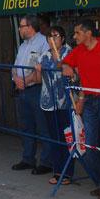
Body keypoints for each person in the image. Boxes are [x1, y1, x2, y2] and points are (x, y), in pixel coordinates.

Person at [62, 19, 100, 199]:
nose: (74, 36)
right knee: (89, 145)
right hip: (88, 100)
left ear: (88, 33)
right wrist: (66, 66)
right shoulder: (78, 51)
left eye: (77, 32)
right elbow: (63, 63)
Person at [11, 14, 51, 174]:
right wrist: (15, 78)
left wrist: (26, 81)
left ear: (30, 27)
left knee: (42, 127)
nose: (19, 29)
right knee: (26, 126)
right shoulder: (22, 45)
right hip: (22, 90)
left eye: (21, 26)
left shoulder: (43, 43)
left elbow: (41, 67)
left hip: (36, 89)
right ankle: (28, 158)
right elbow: (15, 66)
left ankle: (47, 162)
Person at [36, 26, 73, 185]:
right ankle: (57, 170)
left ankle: (67, 172)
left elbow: (66, 69)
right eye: (49, 37)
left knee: (67, 137)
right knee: (53, 137)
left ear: (63, 38)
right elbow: (39, 78)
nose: (52, 39)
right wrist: (38, 70)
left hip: (64, 101)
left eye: (55, 36)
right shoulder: (44, 55)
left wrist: (58, 64)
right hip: (48, 102)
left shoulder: (68, 53)